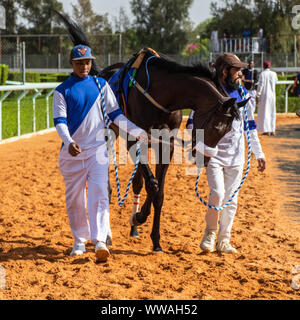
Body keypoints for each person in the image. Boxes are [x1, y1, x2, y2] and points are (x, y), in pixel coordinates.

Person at [53, 44, 148, 262]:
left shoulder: (101, 84)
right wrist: (68, 141)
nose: (84, 66)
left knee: (100, 196)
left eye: (87, 62)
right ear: (72, 64)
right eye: (79, 63)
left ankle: (100, 241)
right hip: (72, 154)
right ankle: (79, 241)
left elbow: (116, 115)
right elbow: (59, 122)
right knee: (75, 199)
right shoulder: (61, 91)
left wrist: (137, 131)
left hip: (98, 151)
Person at [189, 53, 266, 254]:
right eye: (237, 70)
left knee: (231, 201)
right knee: (218, 194)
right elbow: (191, 124)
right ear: (224, 72)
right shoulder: (207, 93)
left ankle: (224, 240)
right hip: (213, 154)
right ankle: (210, 233)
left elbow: (250, 127)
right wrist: (198, 149)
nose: (241, 73)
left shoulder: (244, 95)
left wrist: (259, 153)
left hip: (236, 156)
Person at [256, 61, 278, 136]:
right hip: (272, 95)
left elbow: (260, 85)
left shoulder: (263, 74)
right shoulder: (274, 74)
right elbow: (276, 82)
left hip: (264, 95)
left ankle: (266, 130)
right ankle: (272, 130)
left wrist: (258, 95)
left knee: (265, 112)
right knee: (272, 111)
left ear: (263, 66)